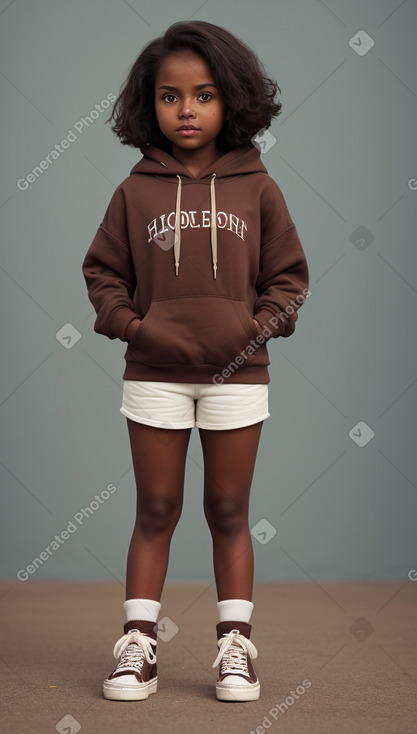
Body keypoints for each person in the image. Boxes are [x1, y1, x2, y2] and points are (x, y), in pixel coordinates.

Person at [82, 20, 309, 703]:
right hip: (154, 374)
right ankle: (137, 648)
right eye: (169, 96)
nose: (186, 109)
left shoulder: (257, 188)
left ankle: (234, 649)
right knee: (155, 507)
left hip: (238, 376)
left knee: (228, 508)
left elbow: (288, 278)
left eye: (203, 95)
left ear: (229, 100)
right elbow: (102, 273)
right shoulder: (135, 191)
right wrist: (135, 330)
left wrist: (254, 330)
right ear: (147, 105)